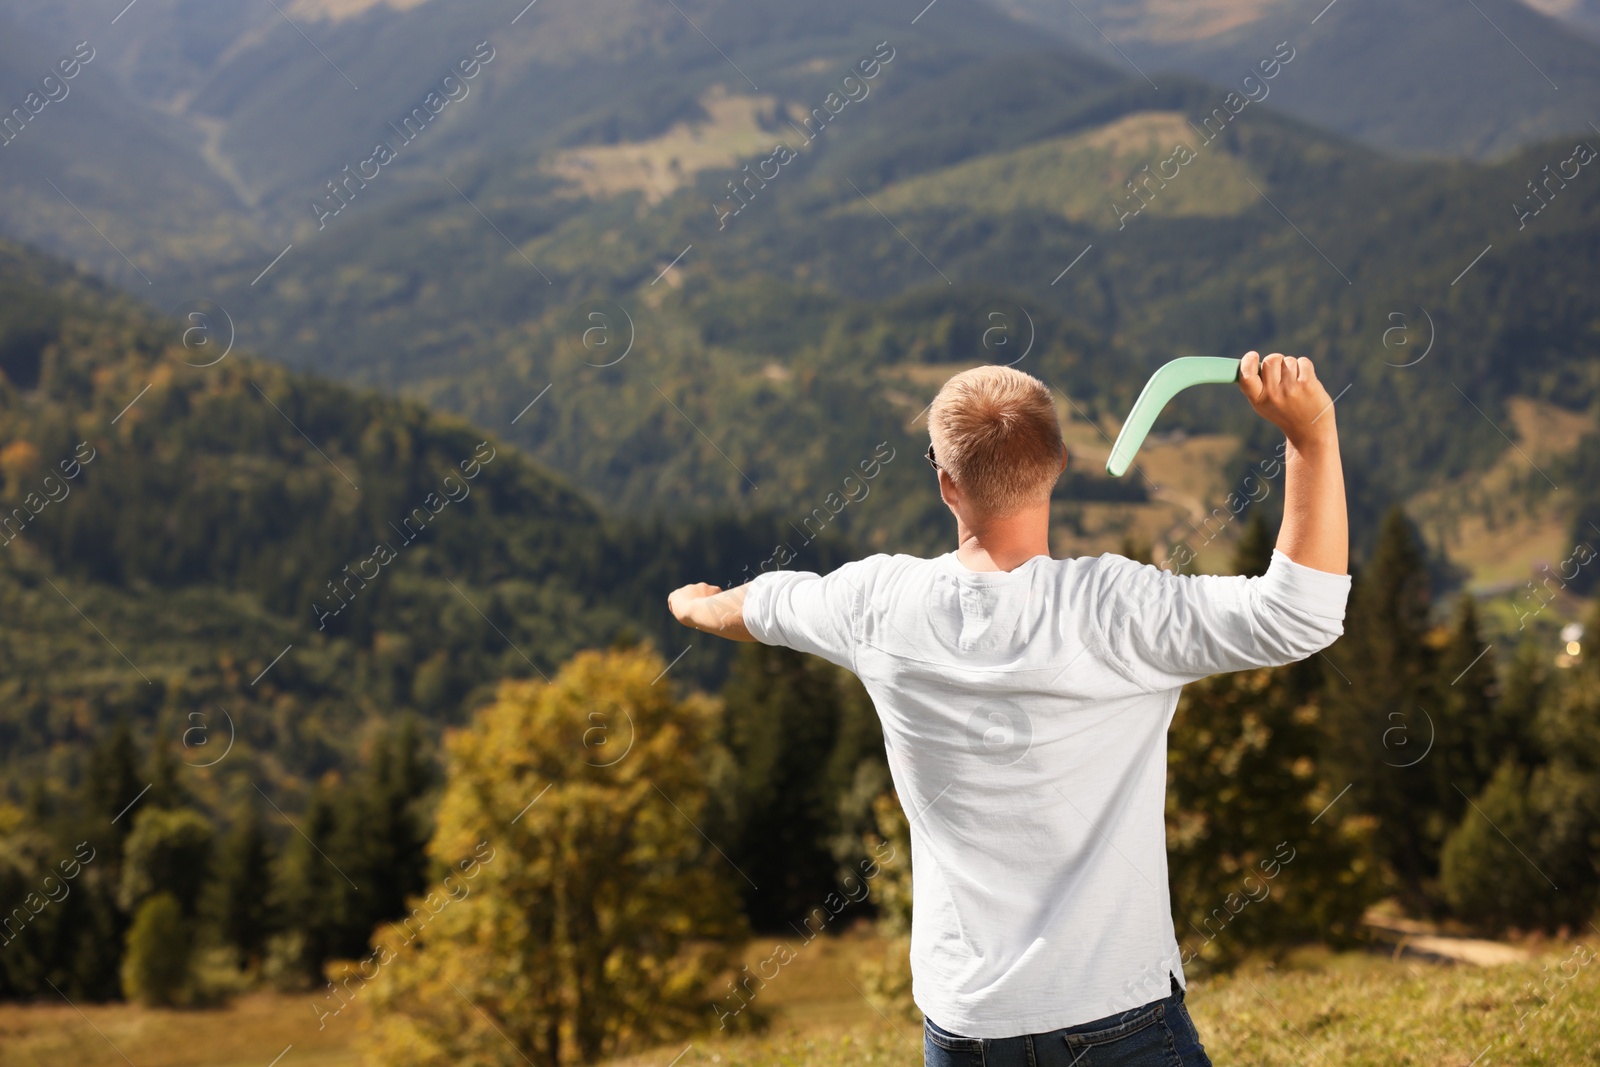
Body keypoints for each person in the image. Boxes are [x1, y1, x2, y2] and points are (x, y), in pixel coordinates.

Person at [667, 352, 1349, 1066]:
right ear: (1057, 463)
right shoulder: (1118, 608)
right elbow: (1300, 616)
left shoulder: (876, 603)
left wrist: (695, 605)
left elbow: (764, 602)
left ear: (945, 483)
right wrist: (1310, 435)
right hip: (1118, 1016)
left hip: (967, 1028)